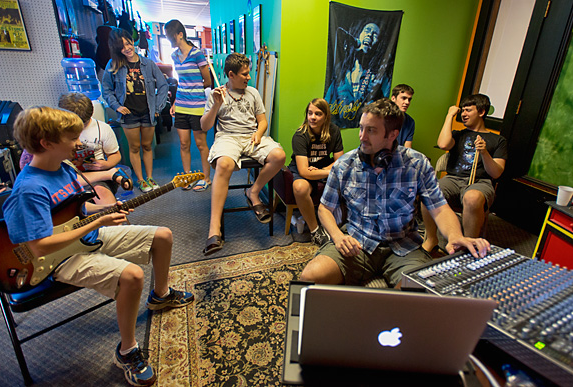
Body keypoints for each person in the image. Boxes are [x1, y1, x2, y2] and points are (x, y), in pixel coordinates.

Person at [2, 106, 193, 387]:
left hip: (84, 237)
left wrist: (102, 209)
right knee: (133, 275)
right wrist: (94, 224)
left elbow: (76, 208)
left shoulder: (64, 168)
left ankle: (161, 295)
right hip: (58, 260)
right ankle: (127, 351)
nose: (78, 143)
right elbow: (39, 247)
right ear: (47, 143)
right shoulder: (29, 190)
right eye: (71, 137)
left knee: (162, 235)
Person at [300, 99, 490, 287]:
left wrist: (455, 235)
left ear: (392, 135)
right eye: (361, 128)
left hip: (402, 247)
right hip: (356, 243)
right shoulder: (344, 165)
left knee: (416, 292)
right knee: (310, 276)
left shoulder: (417, 164)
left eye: (371, 130)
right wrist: (338, 237)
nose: (362, 136)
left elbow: (439, 207)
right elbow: (325, 208)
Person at [200, 53, 286, 255]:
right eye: (245, 74)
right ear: (231, 74)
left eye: (249, 73)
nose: (249, 77)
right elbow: (204, 126)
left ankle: (253, 191)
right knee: (224, 164)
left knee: (279, 156)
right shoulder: (216, 94)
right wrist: (216, 105)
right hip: (228, 138)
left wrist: (259, 133)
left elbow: (262, 121)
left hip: (251, 137)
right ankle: (214, 229)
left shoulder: (253, 93)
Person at [421, 94, 508, 254]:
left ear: (481, 112)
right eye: (462, 111)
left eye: (468, 110)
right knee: (429, 190)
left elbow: (496, 173)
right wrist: (449, 115)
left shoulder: (497, 140)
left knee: (472, 197)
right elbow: (443, 144)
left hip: (480, 182)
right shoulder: (459, 134)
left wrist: (484, 153)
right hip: (453, 179)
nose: (463, 114)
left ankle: (468, 247)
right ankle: (431, 239)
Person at [102, 28, 169, 193]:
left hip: (148, 112)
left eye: (128, 43)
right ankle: (140, 180)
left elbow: (163, 85)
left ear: (133, 41)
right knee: (134, 148)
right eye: (121, 46)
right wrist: (117, 106)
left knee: (147, 146)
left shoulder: (148, 64)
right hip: (129, 114)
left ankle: (150, 177)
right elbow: (106, 89)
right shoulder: (113, 65)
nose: (126, 48)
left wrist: (158, 108)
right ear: (117, 49)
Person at [58, 92, 133, 205]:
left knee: (101, 192)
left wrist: (106, 165)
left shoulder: (103, 128)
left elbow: (115, 155)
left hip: (97, 174)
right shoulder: (56, 131)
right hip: (67, 175)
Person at [164, 19, 213, 192]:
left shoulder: (197, 54)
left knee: (200, 143)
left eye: (171, 36)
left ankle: (206, 178)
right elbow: (181, 82)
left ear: (180, 34)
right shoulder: (174, 56)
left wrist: (195, 90)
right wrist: (175, 102)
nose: (170, 40)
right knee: (184, 144)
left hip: (197, 106)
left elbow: (207, 80)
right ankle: (188, 177)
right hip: (182, 105)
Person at [287, 98, 344, 245]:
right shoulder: (300, 135)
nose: (312, 117)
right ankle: (315, 230)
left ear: (326, 116)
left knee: (349, 178)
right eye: (310, 113)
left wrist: (323, 170)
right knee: (300, 187)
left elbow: (340, 161)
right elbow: (304, 171)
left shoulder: (334, 131)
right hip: (304, 169)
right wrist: (330, 172)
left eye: (318, 114)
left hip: (322, 168)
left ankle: (341, 223)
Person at [325, 21, 392, 128]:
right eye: (367, 30)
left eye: (375, 34)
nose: (369, 35)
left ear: (378, 45)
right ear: (358, 35)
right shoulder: (341, 72)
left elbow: (386, 110)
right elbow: (325, 105)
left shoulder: (379, 78)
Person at [390, 84, 415, 148]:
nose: (407, 102)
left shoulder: (410, 122)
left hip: (397, 155)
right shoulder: (382, 117)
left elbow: (408, 149)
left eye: (409, 99)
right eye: (403, 98)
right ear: (393, 98)